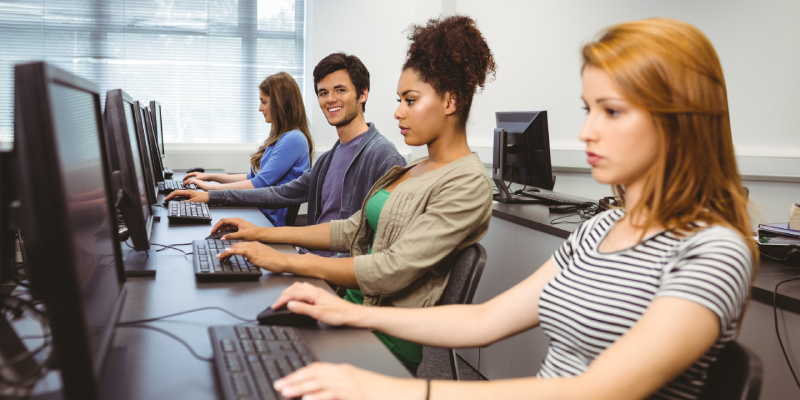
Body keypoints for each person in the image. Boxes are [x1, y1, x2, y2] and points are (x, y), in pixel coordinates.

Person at [265, 18, 758, 400]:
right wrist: (345, 314)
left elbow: (600, 390)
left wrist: (397, 389)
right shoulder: (602, 228)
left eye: (611, 111)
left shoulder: (715, 251)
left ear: (679, 121)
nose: (586, 132)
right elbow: (485, 321)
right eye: (589, 110)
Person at [211, 15, 496, 372]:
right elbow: (349, 229)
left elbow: (392, 270)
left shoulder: (466, 182)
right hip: (347, 306)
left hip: (380, 334)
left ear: (451, 101)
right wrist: (261, 234)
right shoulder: (412, 168)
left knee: (254, 364)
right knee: (236, 343)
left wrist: (285, 260)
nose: (397, 112)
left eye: (410, 100)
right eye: (399, 100)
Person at [166, 53, 406, 253]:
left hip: (334, 275)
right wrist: (213, 197)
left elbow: (382, 248)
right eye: (323, 92)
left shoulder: (384, 158)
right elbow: (281, 193)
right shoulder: (328, 159)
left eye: (340, 90)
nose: (330, 99)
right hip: (307, 255)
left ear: (363, 94)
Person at [179, 72, 313, 227]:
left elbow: (258, 183)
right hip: (257, 212)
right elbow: (252, 177)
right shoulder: (280, 137)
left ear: (280, 103)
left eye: (264, 102)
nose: (259, 108)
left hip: (267, 221)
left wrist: (212, 191)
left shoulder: (293, 139)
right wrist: (209, 177)